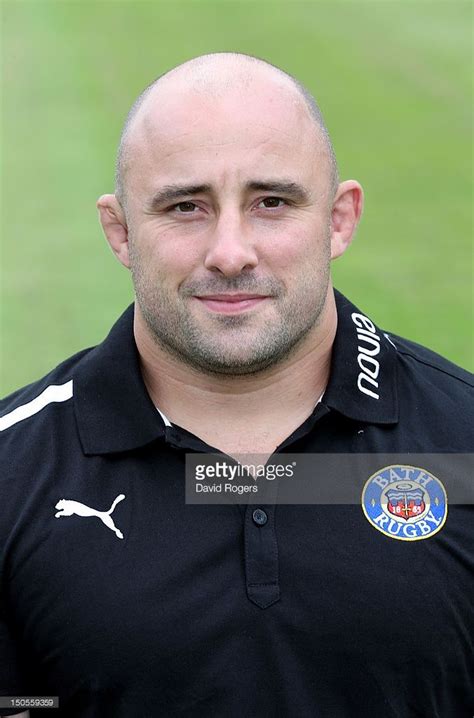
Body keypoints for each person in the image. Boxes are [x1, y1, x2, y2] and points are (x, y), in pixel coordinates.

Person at [0, 53, 472, 718]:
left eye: (272, 202)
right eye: (185, 206)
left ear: (339, 219)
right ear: (121, 230)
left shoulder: (465, 444)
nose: (230, 252)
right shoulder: (11, 473)